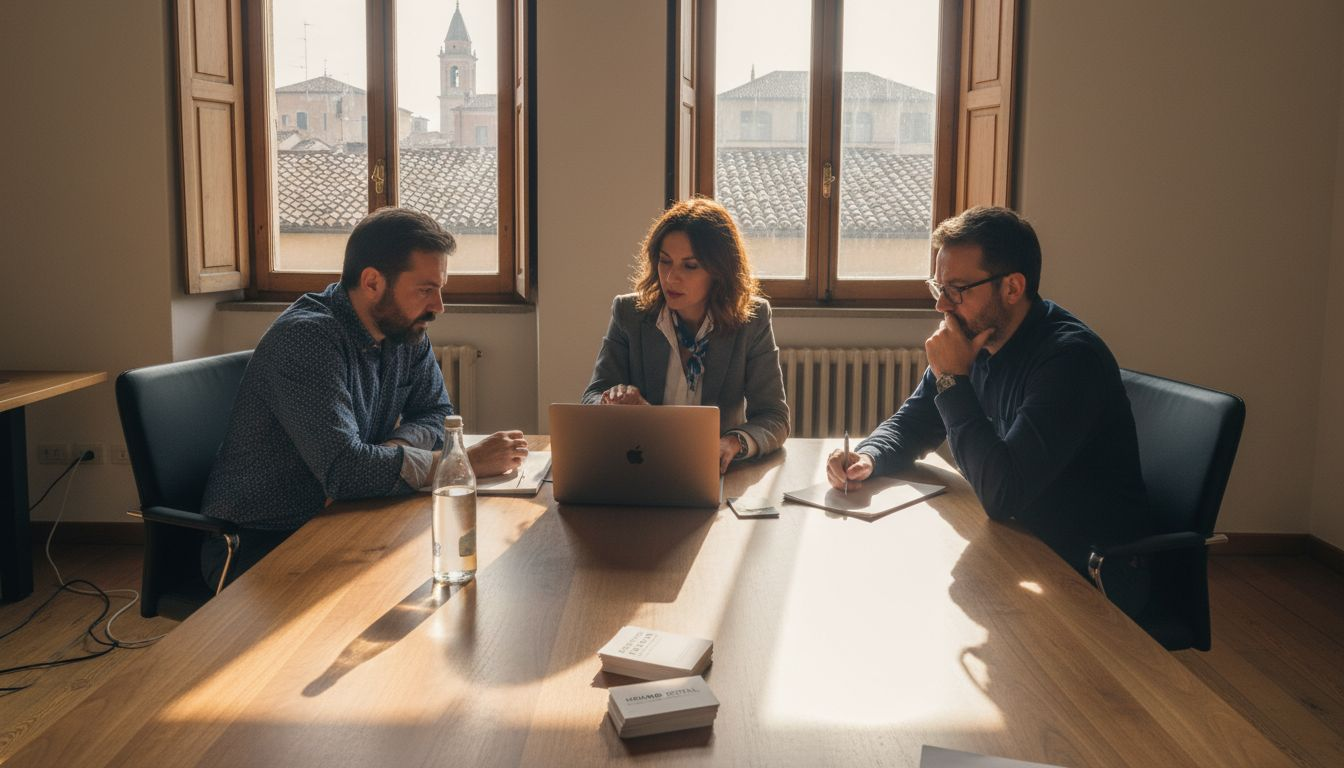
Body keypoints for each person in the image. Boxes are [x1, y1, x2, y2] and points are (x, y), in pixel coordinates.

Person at [825, 206, 1151, 601]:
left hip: (1084, 568)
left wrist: (952, 378)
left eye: (957, 290)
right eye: (938, 288)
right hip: (1017, 543)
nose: (942, 306)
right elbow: (912, 424)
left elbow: (1002, 495)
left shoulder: (1070, 359)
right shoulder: (976, 338)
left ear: (1012, 288)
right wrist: (869, 456)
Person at [199, 207, 528, 588]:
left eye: (440, 289)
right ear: (372, 282)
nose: (439, 306)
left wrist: (394, 447)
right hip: (262, 543)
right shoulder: (308, 339)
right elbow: (346, 471)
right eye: (425, 289)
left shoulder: (405, 330)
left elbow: (437, 413)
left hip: (347, 515)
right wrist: (459, 463)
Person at [582, 198, 790, 473]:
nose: (670, 278)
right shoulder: (629, 313)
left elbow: (773, 417)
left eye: (689, 266)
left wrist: (733, 442)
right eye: (664, 261)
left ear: (719, 271)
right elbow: (592, 397)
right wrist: (612, 401)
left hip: (713, 472)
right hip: (638, 466)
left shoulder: (751, 319)